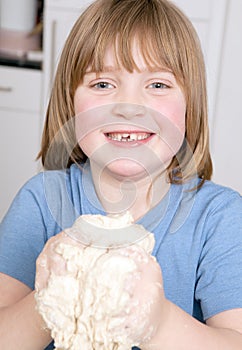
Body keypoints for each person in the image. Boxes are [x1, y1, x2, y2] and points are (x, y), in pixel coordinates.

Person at [0, 0, 242, 349]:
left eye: (158, 85)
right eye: (102, 84)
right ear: (70, 104)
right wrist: (48, 304)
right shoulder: (40, 201)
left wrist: (157, 322)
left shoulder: (219, 218)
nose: (129, 106)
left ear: (191, 106)